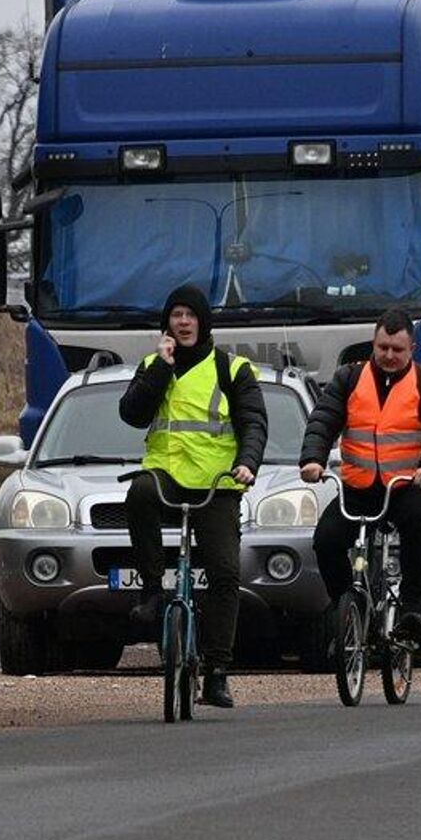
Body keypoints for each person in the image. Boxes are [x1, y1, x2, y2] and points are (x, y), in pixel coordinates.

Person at [117, 284, 267, 708]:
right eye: (175, 315)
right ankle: (151, 591)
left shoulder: (231, 369)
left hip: (218, 483)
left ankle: (217, 671)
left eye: (190, 315)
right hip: (165, 475)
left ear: (203, 322)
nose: (182, 323)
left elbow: (253, 421)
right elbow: (132, 415)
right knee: (139, 493)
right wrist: (161, 369)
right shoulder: (152, 364)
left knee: (224, 573)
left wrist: (248, 462)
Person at [301, 309, 421, 642]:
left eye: (397, 350)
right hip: (358, 486)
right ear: (374, 343)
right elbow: (323, 420)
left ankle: (410, 608)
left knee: (417, 524)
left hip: (406, 485)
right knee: (326, 540)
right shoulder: (349, 378)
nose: (388, 355)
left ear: (412, 349)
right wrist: (313, 459)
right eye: (382, 347)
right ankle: (347, 606)